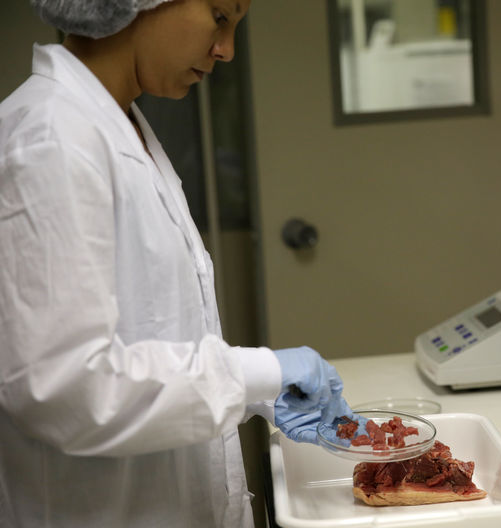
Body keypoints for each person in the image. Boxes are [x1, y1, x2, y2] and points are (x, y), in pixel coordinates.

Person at [0, 1, 355, 526]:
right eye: (219, 16)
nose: (226, 50)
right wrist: (259, 371)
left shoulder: (115, 123)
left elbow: (147, 335)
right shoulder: (52, 140)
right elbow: (68, 386)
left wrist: (260, 391)